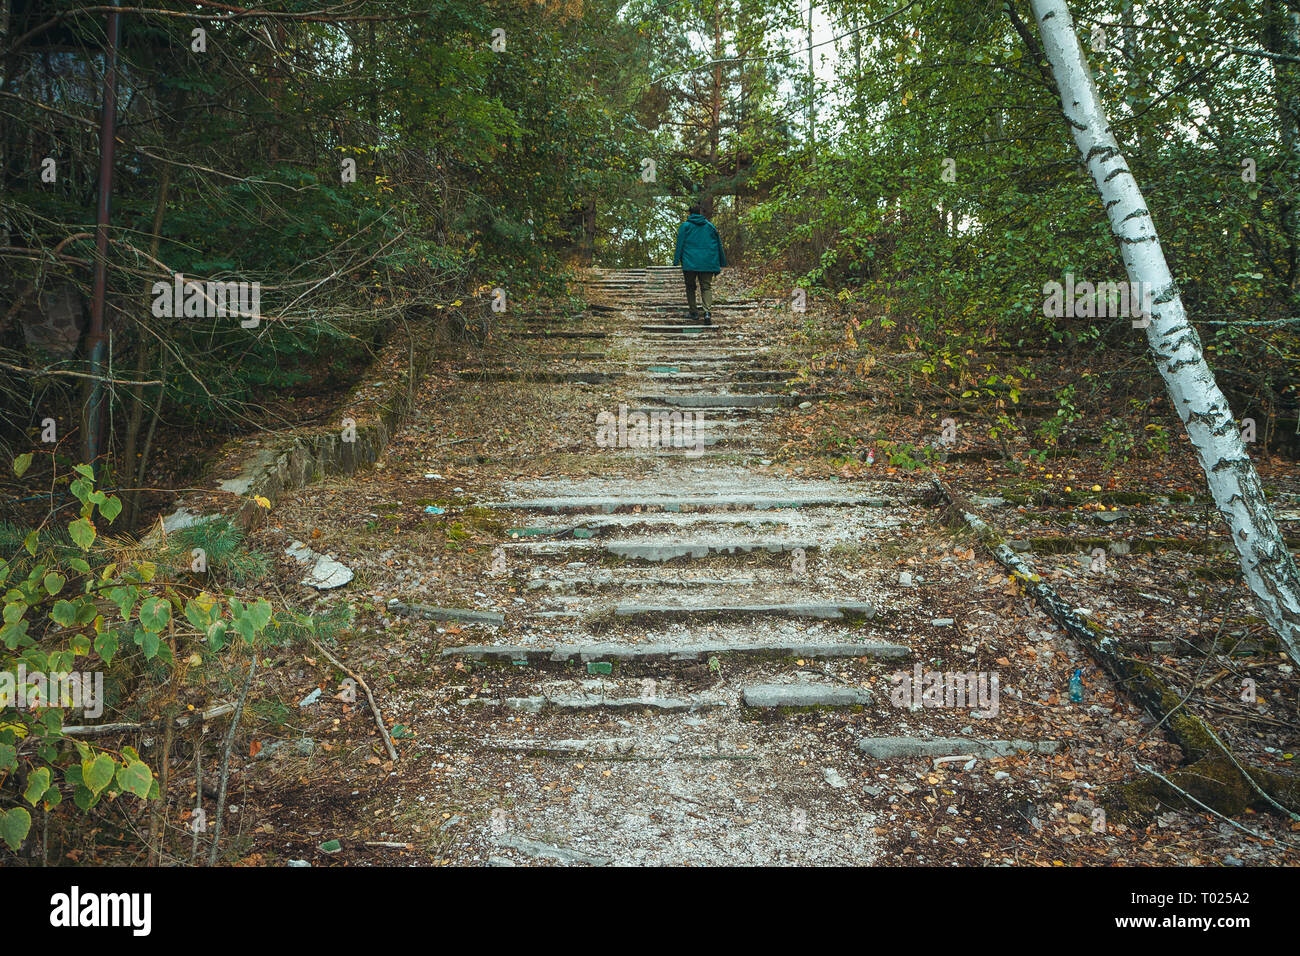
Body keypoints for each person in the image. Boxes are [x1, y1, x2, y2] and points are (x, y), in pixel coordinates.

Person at [672, 202, 726, 324]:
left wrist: (676, 261)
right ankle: (707, 312)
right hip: (707, 262)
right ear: (700, 213)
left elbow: (680, 244)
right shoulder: (710, 226)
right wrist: (721, 261)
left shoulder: (685, 226)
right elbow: (718, 244)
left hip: (690, 262)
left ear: (689, 213)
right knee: (706, 287)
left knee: (690, 287)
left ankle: (694, 312)